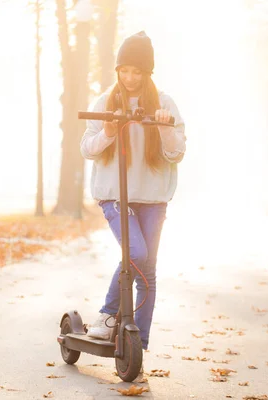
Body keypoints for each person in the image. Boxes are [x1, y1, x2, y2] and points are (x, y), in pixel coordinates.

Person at [80, 31, 186, 351]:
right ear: (117, 70)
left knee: (147, 271)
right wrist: (109, 132)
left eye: (136, 71)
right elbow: (88, 149)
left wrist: (165, 128)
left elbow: (176, 153)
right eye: (124, 70)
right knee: (137, 254)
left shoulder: (165, 104)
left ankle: (138, 343)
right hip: (115, 195)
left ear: (147, 73)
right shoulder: (105, 102)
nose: (129, 78)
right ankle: (108, 315)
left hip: (153, 198)